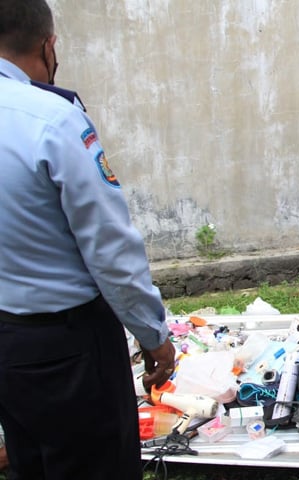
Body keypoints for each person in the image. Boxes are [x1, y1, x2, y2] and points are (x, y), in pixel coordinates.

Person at [0, 1, 176, 478]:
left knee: (30, 462)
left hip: (9, 347)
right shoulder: (51, 120)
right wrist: (154, 337)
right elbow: (111, 252)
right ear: (47, 45)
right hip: (69, 347)